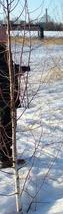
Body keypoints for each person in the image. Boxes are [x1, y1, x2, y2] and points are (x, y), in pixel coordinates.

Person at [0, 29, 25, 169]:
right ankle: (6, 158)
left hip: (6, 95)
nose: (7, 35)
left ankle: (5, 156)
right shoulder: (1, 51)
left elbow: (7, 68)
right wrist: (15, 71)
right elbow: (4, 71)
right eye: (4, 33)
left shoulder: (4, 50)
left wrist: (18, 69)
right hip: (3, 97)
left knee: (5, 126)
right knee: (5, 127)